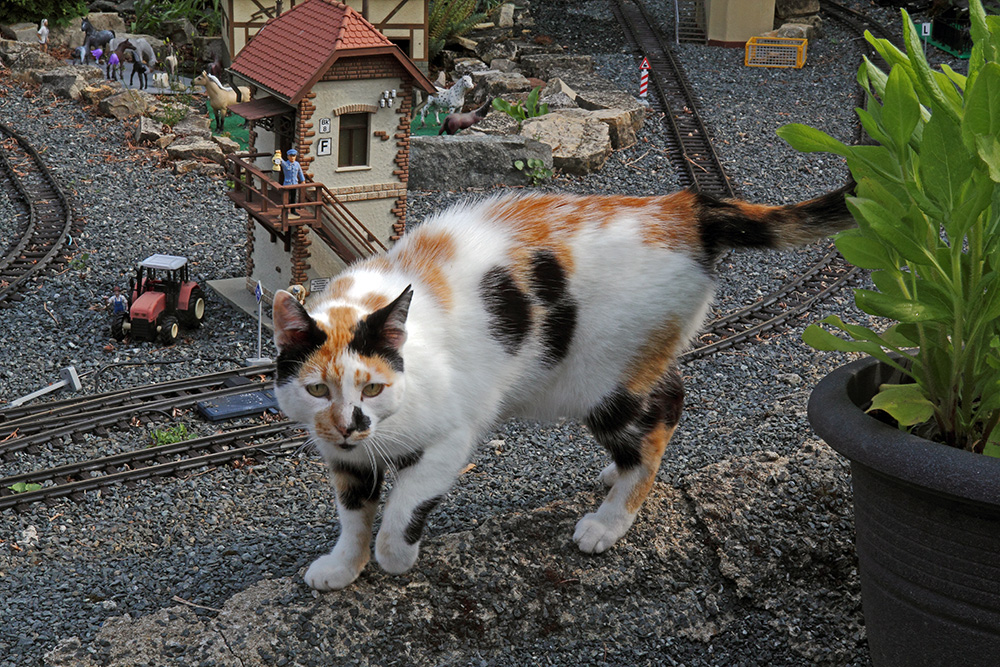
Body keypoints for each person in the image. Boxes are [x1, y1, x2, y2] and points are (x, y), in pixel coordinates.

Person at [281, 148, 305, 217]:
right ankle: (285, 211)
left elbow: (300, 172)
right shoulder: (286, 164)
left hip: (294, 183)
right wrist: (278, 156)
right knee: (286, 198)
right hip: (287, 183)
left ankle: (293, 210)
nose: (292, 158)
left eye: (294, 156)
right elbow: (280, 161)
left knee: (293, 197)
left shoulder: (297, 164)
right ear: (288, 157)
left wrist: (302, 180)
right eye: (291, 156)